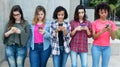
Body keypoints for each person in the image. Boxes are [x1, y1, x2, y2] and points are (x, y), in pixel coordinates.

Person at [91, 3, 117, 67]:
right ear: (98, 13)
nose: (104, 14)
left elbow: (113, 38)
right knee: (95, 65)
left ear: (108, 12)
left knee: (105, 65)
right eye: (101, 12)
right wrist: (102, 31)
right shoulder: (94, 23)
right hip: (96, 47)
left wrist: (110, 30)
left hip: (107, 48)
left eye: (105, 12)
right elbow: (94, 37)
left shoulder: (111, 23)